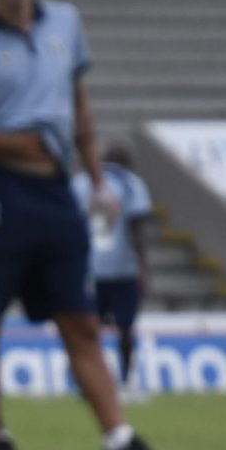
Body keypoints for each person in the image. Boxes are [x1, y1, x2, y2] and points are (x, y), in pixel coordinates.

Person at [0, 0, 180, 450]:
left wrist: (96, 180)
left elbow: (79, 104)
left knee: (81, 322)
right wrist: (0, 146)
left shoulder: (65, 22)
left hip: (56, 193)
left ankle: (118, 443)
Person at [71, 142, 154, 404]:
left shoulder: (81, 182)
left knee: (87, 330)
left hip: (88, 270)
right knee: (126, 329)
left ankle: (85, 383)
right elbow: (136, 227)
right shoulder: (132, 184)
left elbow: (71, 223)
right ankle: (126, 383)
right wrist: (143, 268)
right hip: (123, 270)